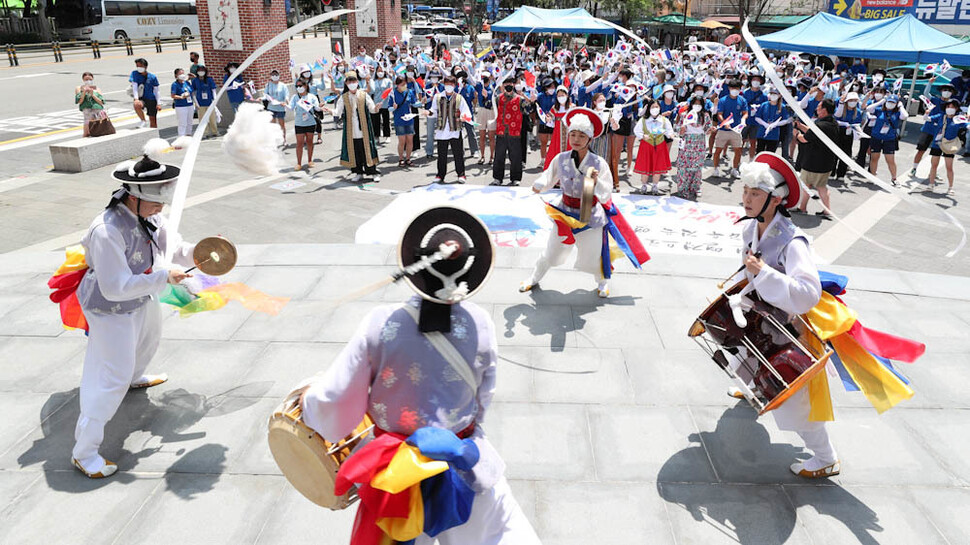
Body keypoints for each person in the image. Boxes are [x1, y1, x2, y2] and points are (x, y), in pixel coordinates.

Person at [298, 207, 542, 545]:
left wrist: (309, 402)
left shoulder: (380, 323)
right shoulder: (481, 323)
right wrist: (459, 426)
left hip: (394, 477)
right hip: (463, 462)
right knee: (494, 532)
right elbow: (484, 397)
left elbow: (333, 403)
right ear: (470, 269)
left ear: (415, 263)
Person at [69, 141, 197, 478]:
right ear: (133, 196)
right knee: (110, 375)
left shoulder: (151, 215)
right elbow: (115, 287)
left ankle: (134, 376)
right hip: (108, 307)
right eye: (156, 202)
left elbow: (175, 247)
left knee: (148, 340)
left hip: (144, 293)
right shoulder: (107, 230)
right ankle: (84, 451)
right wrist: (163, 277)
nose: (160, 208)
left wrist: (201, 253)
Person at [733, 152, 838, 479]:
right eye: (746, 191)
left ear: (776, 200)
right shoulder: (751, 229)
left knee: (795, 403)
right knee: (741, 354)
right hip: (767, 319)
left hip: (791, 329)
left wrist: (764, 273)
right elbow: (751, 271)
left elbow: (809, 294)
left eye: (755, 194)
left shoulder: (794, 240)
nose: (747, 199)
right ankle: (748, 382)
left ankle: (825, 458)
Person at [520, 107, 649, 298]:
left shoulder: (598, 163)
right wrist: (540, 184)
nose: (576, 139)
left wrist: (596, 183)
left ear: (589, 139)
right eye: (573, 134)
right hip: (564, 212)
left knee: (593, 256)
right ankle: (534, 277)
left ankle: (603, 282)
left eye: (581, 135)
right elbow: (548, 177)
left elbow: (606, 195)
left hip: (590, 214)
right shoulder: (561, 158)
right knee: (552, 251)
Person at [329, 71, 381, 183]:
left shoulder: (363, 95)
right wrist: (329, 111)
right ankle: (358, 172)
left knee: (367, 149)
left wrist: (376, 108)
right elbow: (338, 112)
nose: (352, 83)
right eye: (349, 81)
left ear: (357, 82)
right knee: (355, 151)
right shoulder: (344, 97)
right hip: (351, 129)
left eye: (354, 81)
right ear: (346, 83)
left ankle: (372, 172)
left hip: (364, 128)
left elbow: (372, 108)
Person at [794, 99, 840, 218]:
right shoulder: (833, 123)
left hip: (813, 162)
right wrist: (801, 126)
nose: (817, 109)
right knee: (821, 186)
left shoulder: (820, 125)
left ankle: (802, 208)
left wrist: (796, 133)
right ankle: (826, 210)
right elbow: (812, 133)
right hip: (827, 162)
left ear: (824, 110)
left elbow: (805, 138)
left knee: (806, 185)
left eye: (819, 107)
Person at [425, 75, 472, 184]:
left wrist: (464, 117)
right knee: (442, 154)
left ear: (454, 85)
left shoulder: (459, 98)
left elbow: (466, 111)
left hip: (455, 129)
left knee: (458, 154)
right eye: (447, 84)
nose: (449, 86)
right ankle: (440, 175)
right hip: (442, 130)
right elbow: (433, 111)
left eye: (451, 84)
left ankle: (461, 174)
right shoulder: (438, 97)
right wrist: (429, 112)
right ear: (444, 85)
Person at [632, 99, 674, 195]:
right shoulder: (644, 120)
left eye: (657, 107)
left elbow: (669, 131)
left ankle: (655, 186)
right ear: (648, 108)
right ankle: (644, 185)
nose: (655, 109)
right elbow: (636, 130)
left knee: (657, 168)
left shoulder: (664, 120)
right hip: (646, 146)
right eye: (653, 107)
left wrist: (670, 135)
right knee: (645, 168)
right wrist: (642, 136)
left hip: (659, 146)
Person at [925, 99, 966, 195]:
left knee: (949, 167)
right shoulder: (940, 116)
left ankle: (950, 187)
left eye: (952, 107)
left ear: (956, 109)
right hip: (937, 143)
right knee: (934, 165)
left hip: (949, 145)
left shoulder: (958, 119)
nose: (950, 109)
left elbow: (967, 125)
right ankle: (931, 184)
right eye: (948, 107)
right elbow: (928, 119)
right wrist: (927, 113)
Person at [489, 77, 526, 187]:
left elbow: (528, 110)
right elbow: (489, 105)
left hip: (514, 132)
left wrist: (530, 99)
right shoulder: (497, 98)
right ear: (503, 86)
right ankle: (497, 178)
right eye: (506, 84)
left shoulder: (520, 99)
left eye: (510, 83)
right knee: (499, 156)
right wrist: (486, 96)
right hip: (501, 131)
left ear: (514, 85)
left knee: (515, 157)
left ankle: (515, 178)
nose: (508, 86)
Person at [674, 95, 712, 200]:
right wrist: (680, 130)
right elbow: (676, 127)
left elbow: (707, 129)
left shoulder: (705, 116)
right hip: (687, 141)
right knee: (684, 166)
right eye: (695, 104)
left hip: (699, 142)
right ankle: (683, 189)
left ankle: (695, 187)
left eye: (699, 104)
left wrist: (710, 130)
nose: (697, 106)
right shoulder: (684, 115)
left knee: (697, 166)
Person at [866, 93, 907, 185]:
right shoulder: (879, 110)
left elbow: (905, 116)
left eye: (893, 103)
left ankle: (894, 178)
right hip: (876, 137)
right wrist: (881, 102)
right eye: (889, 102)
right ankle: (872, 176)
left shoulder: (897, 113)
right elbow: (868, 109)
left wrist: (901, 106)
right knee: (874, 158)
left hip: (889, 139)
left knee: (890, 160)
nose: (890, 104)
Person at [711, 79, 748, 179]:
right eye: (733, 88)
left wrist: (743, 120)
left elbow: (745, 113)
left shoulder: (742, 100)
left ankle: (734, 169)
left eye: (737, 88)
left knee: (738, 150)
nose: (734, 90)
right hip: (723, 130)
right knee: (718, 149)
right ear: (729, 88)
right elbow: (719, 114)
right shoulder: (723, 100)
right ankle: (715, 169)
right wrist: (725, 123)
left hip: (736, 130)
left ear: (740, 89)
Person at [830, 91, 865, 182]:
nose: (853, 102)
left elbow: (858, 123)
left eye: (855, 100)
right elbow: (835, 118)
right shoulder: (841, 108)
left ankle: (841, 174)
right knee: (835, 152)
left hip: (849, 133)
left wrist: (859, 131)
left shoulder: (857, 112)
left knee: (846, 153)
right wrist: (844, 123)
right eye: (851, 100)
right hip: (838, 132)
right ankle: (832, 172)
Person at [288, 80, 321, 170]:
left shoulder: (312, 96)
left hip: (310, 122)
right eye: (297, 86)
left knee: (309, 141)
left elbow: (317, 108)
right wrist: (285, 104)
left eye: (300, 85)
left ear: (305, 86)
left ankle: (310, 160)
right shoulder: (295, 97)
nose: (299, 87)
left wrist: (321, 107)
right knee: (299, 143)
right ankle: (299, 163)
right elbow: (290, 107)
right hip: (299, 123)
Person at [541, 85, 572, 171]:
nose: (561, 97)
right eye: (559, 95)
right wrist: (548, 119)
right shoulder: (555, 108)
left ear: (567, 95)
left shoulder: (572, 107)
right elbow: (550, 119)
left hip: (570, 135)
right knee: (556, 153)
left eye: (563, 95)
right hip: (557, 135)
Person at [389, 75, 417, 167]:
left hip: (409, 119)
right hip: (399, 119)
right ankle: (401, 158)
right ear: (397, 85)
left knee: (410, 140)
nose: (404, 86)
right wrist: (393, 108)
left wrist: (422, 102)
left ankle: (408, 158)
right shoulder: (393, 94)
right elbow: (389, 108)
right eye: (402, 84)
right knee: (402, 141)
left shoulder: (409, 92)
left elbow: (414, 103)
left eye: (405, 84)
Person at [753, 87, 790, 154]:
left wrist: (775, 124)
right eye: (771, 94)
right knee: (759, 153)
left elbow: (785, 120)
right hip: (762, 134)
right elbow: (757, 117)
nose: (773, 96)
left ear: (779, 95)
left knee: (770, 154)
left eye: (775, 94)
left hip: (774, 135)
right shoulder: (764, 105)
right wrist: (765, 124)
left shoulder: (782, 107)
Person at [742, 74, 768, 159]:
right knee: (741, 141)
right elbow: (742, 105)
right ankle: (737, 162)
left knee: (753, 142)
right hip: (746, 120)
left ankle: (751, 160)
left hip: (756, 122)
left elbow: (765, 108)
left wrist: (758, 109)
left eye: (758, 80)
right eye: (754, 79)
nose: (756, 82)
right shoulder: (746, 92)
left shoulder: (763, 95)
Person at [129, 58, 159, 129]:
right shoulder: (135, 74)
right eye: (137, 66)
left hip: (151, 99)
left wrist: (159, 103)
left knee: (153, 120)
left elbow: (156, 90)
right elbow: (135, 86)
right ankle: (143, 120)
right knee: (136, 105)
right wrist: (136, 98)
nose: (138, 68)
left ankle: (153, 132)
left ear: (145, 67)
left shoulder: (152, 77)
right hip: (142, 97)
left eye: (140, 66)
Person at [192, 65, 219, 138]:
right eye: (199, 71)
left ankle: (214, 131)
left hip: (210, 102)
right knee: (202, 119)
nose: (201, 72)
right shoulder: (195, 80)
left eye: (202, 70)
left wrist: (215, 100)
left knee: (212, 118)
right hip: (200, 103)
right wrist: (196, 103)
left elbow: (213, 90)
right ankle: (204, 133)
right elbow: (193, 92)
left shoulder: (209, 79)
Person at [76, 71, 105, 138]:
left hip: (98, 112)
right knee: (86, 133)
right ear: (83, 80)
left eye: (90, 79)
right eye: (86, 79)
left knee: (99, 132)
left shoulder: (96, 88)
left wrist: (92, 95)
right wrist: (83, 92)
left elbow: (101, 102)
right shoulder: (79, 88)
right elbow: (80, 101)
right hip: (87, 113)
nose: (88, 81)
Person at [476, 72, 496, 165]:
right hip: (481, 110)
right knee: (482, 135)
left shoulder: (493, 86)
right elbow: (471, 79)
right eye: (483, 77)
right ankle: (482, 156)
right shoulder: (479, 86)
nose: (484, 79)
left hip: (491, 111)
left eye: (486, 77)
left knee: (491, 136)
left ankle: (492, 157)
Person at [264, 68, 289, 145]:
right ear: (270, 76)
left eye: (276, 74)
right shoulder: (268, 85)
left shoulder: (283, 85)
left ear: (279, 75)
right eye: (273, 75)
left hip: (280, 107)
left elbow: (286, 95)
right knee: (273, 125)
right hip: (271, 107)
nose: (274, 76)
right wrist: (262, 98)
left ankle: (284, 139)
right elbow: (265, 95)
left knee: (282, 124)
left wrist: (286, 101)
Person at [369, 66, 393, 142]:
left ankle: (387, 135)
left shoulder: (388, 81)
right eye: (378, 71)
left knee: (386, 119)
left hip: (385, 103)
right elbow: (371, 92)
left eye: (381, 71)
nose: (380, 72)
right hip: (376, 103)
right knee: (376, 120)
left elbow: (391, 90)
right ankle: (376, 136)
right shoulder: (373, 81)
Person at [171, 68, 195, 137]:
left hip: (190, 104)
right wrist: (181, 97)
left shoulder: (186, 83)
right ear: (176, 76)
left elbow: (191, 92)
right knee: (182, 123)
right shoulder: (175, 84)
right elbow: (173, 95)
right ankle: (181, 137)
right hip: (181, 106)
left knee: (189, 122)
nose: (182, 75)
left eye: (183, 73)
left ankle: (189, 135)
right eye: (180, 74)